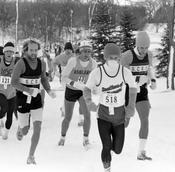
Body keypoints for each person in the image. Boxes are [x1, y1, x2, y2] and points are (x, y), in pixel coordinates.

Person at [84, 43, 137, 172]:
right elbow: (87, 89)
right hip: (103, 115)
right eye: (110, 57)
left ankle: (111, 153)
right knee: (106, 145)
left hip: (119, 115)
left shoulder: (125, 72)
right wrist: (89, 102)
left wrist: (130, 109)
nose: (113, 60)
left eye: (116, 58)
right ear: (105, 58)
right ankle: (107, 168)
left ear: (119, 58)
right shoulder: (98, 72)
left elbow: (133, 89)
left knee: (118, 149)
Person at [11, 39, 56, 164]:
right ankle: (21, 128)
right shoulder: (21, 63)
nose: (34, 53)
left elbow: (43, 79)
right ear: (26, 50)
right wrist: (28, 90)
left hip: (36, 99)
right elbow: (13, 82)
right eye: (31, 50)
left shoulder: (41, 63)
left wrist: (49, 90)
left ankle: (31, 155)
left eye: (36, 50)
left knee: (38, 127)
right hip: (22, 99)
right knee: (25, 131)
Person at [120, 31, 157, 161]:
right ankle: (113, 140)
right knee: (125, 123)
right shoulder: (127, 56)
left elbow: (150, 69)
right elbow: (124, 76)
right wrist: (137, 81)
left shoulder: (149, 55)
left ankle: (141, 152)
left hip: (142, 92)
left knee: (145, 120)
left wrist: (152, 80)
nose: (144, 50)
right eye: (141, 47)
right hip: (130, 92)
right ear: (137, 45)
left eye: (146, 47)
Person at [57, 40, 97, 148]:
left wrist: (95, 88)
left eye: (89, 51)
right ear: (79, 52)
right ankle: (62, 137)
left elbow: (95, 79)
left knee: (87, 115)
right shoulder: (73, 61)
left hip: (84, 91)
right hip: (71, 90)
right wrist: (74, 83)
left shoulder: (93, 63)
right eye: (84, 51)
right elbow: (64, 77)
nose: (86, 54)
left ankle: (86, 139)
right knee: (68, 117)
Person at [0, 42, 19, 140]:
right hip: (0, 90)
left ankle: (6, 133)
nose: (9, 53)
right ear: (4, 52)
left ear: (13, 53)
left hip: (12, 92)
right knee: (4, 107)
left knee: (10, 114)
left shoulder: (16, 62)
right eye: (7, 51)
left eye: (11, 51)